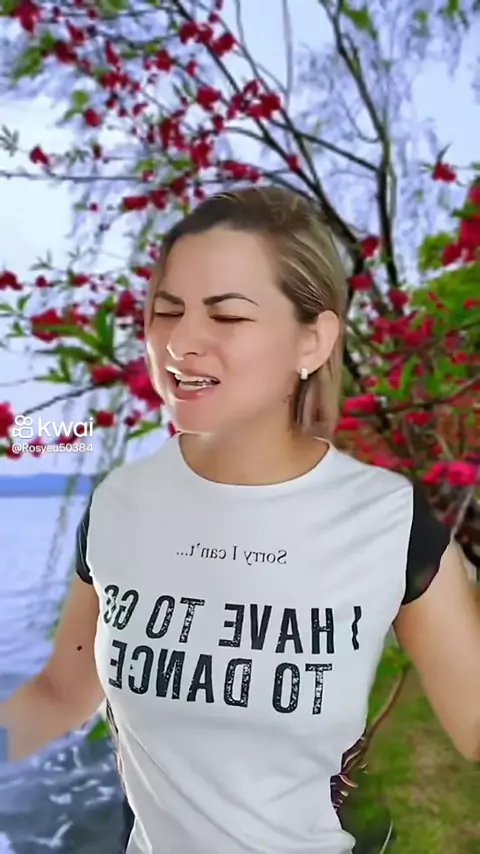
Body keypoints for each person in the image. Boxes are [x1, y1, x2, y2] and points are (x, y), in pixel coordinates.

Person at [1, 186, 480, 854]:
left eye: (226, 315)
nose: (180, 342)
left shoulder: (389, 521)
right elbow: (62, 691)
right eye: (167, 311)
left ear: (312, 341)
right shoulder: (118, 503)